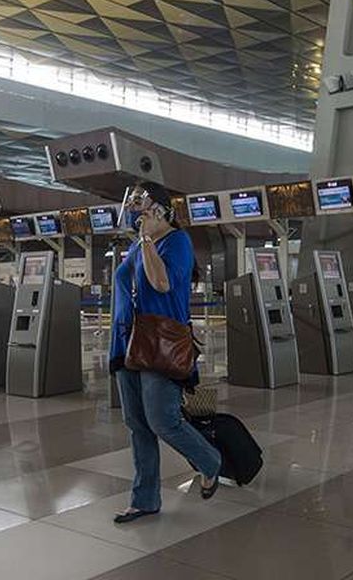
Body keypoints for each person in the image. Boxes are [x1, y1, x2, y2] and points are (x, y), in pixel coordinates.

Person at [109, 181, 221, 524]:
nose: (137, 215)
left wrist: (145, 240)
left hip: (160, 343)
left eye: (144, 209)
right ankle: (144, 499)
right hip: (127, 342)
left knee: (162, 421)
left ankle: (211, 461)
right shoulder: (137, 247)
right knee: (137, 424)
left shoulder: (177, 242)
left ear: (161, 211)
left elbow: (161, 284)